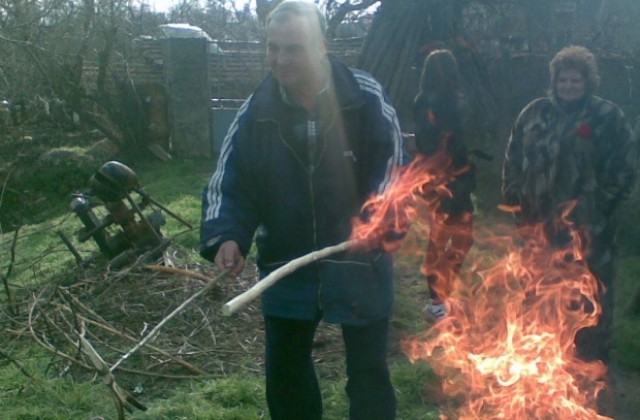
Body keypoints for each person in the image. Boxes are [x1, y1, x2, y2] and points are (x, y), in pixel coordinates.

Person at [200, 1, 405, 419]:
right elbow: (230, 183)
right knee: (287, 374)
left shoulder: (364, 98)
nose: (280, 59)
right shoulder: (256, 112)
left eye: (293, 48)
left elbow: (393, 169)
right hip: (285, 260)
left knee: (368, 373)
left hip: (358, 257)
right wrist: (227, 236)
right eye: (273, 48)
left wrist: (374, 222)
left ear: (321, 46)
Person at [502, 45, 636, 366]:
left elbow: (625, 168)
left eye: (576, 80)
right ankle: (538, 354)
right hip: (540, 224)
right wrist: (515, 201)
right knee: (538, 288)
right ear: (555, 81)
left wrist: (603, 207)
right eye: (564, 80)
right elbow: (513, 158)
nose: (569, 86)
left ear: (588, 82)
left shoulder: (608, 117)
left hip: (589, 227)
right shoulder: (533, 113)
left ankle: (590, 358)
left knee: (591, 292)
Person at [413, 49, 475, 323]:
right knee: (440, 238)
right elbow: (431, 142)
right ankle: (437, 301)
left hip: (456, 179)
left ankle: (442, 293)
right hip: (441, 180)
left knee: (460, 237)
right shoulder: (430, 102)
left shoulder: (453, 100)